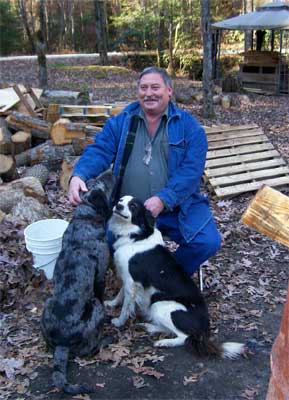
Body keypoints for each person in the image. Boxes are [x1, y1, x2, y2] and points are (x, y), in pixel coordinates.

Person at [68, 66, 221, 276]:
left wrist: (164, 199)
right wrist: (79, 174)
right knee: (108, 241)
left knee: (207, 241)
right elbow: (100, 149)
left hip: (177, 208)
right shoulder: (122, 121)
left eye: (155, 87)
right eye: (143, 87)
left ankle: (165, 276)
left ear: (169, 90)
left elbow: (191, 172)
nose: (148, 93)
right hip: (129, 210)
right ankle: (134, 274)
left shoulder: (189, 128)